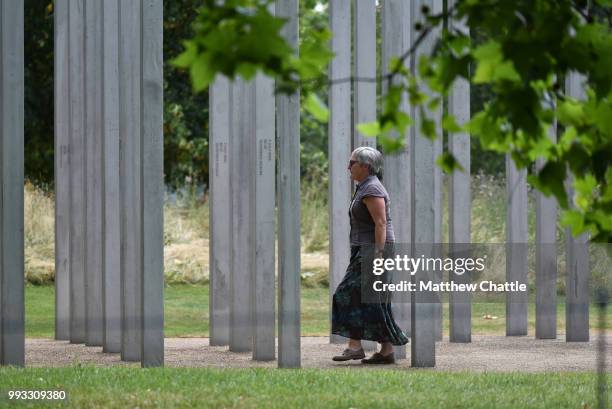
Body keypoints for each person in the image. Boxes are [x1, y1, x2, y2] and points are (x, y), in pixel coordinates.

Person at [331, 146, 408, 364]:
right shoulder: (364, 186)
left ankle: (355, 346)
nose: (348, 167)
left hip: (373, 250)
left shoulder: (372, 188)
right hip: (364, 249)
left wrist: (379, 255)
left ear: (365, 166)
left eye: (352, 163)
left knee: (345, 293)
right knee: (374, 300)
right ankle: (386, 351)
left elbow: (381, 223)